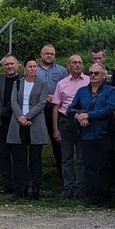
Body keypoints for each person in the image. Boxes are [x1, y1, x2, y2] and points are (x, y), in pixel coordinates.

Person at [69, 64, 115, 206]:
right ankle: (92, 195)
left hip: (104, 134)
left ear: (103, 76)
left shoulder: (110, 91)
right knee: (89, 166)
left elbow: (109, 109)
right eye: (90, 73)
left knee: (104, 166)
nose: (93, 76)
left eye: (96, 73)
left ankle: (106, 196)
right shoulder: (82, 91)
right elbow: (70, 109)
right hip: (86, 135)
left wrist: (88, 115)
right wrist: (79, 116)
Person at [7, 58, 51, 199]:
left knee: (35, 158)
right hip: (18, 122)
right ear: (24, 68)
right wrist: (20, 117)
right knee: (19, 158)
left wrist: (28, 117)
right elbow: (13, 101)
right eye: (30, 66)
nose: (32, 69)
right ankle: (21, 189)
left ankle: (36, 190)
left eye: (34, 66)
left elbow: (41, 103)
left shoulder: (43, 83)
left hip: (35, 123)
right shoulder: (18, 82)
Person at [52, 55, 90, 200]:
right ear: (68, 65)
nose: (77, 65)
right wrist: (55, 129)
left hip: (83, 121)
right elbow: (56, 107)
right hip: (66, 122)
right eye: (74, 62)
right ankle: (68, 187)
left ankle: (80, 188)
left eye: (80, 62)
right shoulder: (62, 83)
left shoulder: (89, 81)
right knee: (66, 157)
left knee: (82, 157)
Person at [35, 43, 68, 184]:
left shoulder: (61, 71)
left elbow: (67, 88)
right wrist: (43, 97)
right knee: (35, 144)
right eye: (46, 53)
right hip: (37, 111)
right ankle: (36, 178)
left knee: (58, 143)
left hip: (56, 111)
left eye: (52, 54)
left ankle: (63, 178)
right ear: (41, 55)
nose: (49, 56)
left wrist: (54, 98)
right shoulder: (33, 69)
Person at [0, 55, 21, 194]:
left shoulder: (24, 80)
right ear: (3, 67)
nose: (9, 66)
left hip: (18, 123)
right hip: (0, 123)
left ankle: (20, 184)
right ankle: (7, 184)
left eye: (11, 63)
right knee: (3, 154)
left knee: (18, 154)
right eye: (6, 64)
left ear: (17, 64)